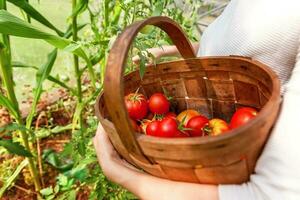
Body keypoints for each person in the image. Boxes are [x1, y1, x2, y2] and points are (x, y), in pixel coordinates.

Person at [93, 0, 300, 199]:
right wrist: (172, 50)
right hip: (202, 129)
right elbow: (238, 41)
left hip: (230, 154)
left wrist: (117, 170)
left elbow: (269, 195)